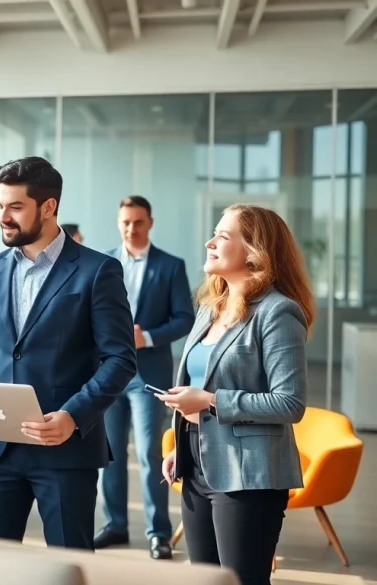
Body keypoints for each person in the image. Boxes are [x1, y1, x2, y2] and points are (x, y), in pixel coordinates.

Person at [0, 156, 137, 550]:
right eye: (0, 206)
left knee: (69, 565)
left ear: (49, 207)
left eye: (15, 207)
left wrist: (73, 416)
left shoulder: (98, 270)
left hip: (64, 450)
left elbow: (120, 360)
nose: (4, 217)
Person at [160, 204, 311, 585]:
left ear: (255, 250)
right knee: (207, 580)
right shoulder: (210, 308)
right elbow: (199, 379)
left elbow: (289, 402)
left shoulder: (278, 312)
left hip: (249, 475)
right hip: (196, 464)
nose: (210, 243)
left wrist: (210, 401)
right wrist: (183, 442)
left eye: (223, 236)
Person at [96, 196, 195, 559]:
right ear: (118, 222)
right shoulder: (103, 262)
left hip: (148, 375)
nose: (131, 228)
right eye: (125, 222)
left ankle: (158, 533)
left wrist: (147, 336)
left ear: (150, 223)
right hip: (108, 374)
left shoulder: (170, 266)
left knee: (152, 454)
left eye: (138, 222)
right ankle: (116, 525)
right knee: (109, 454)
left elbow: (184, 318)